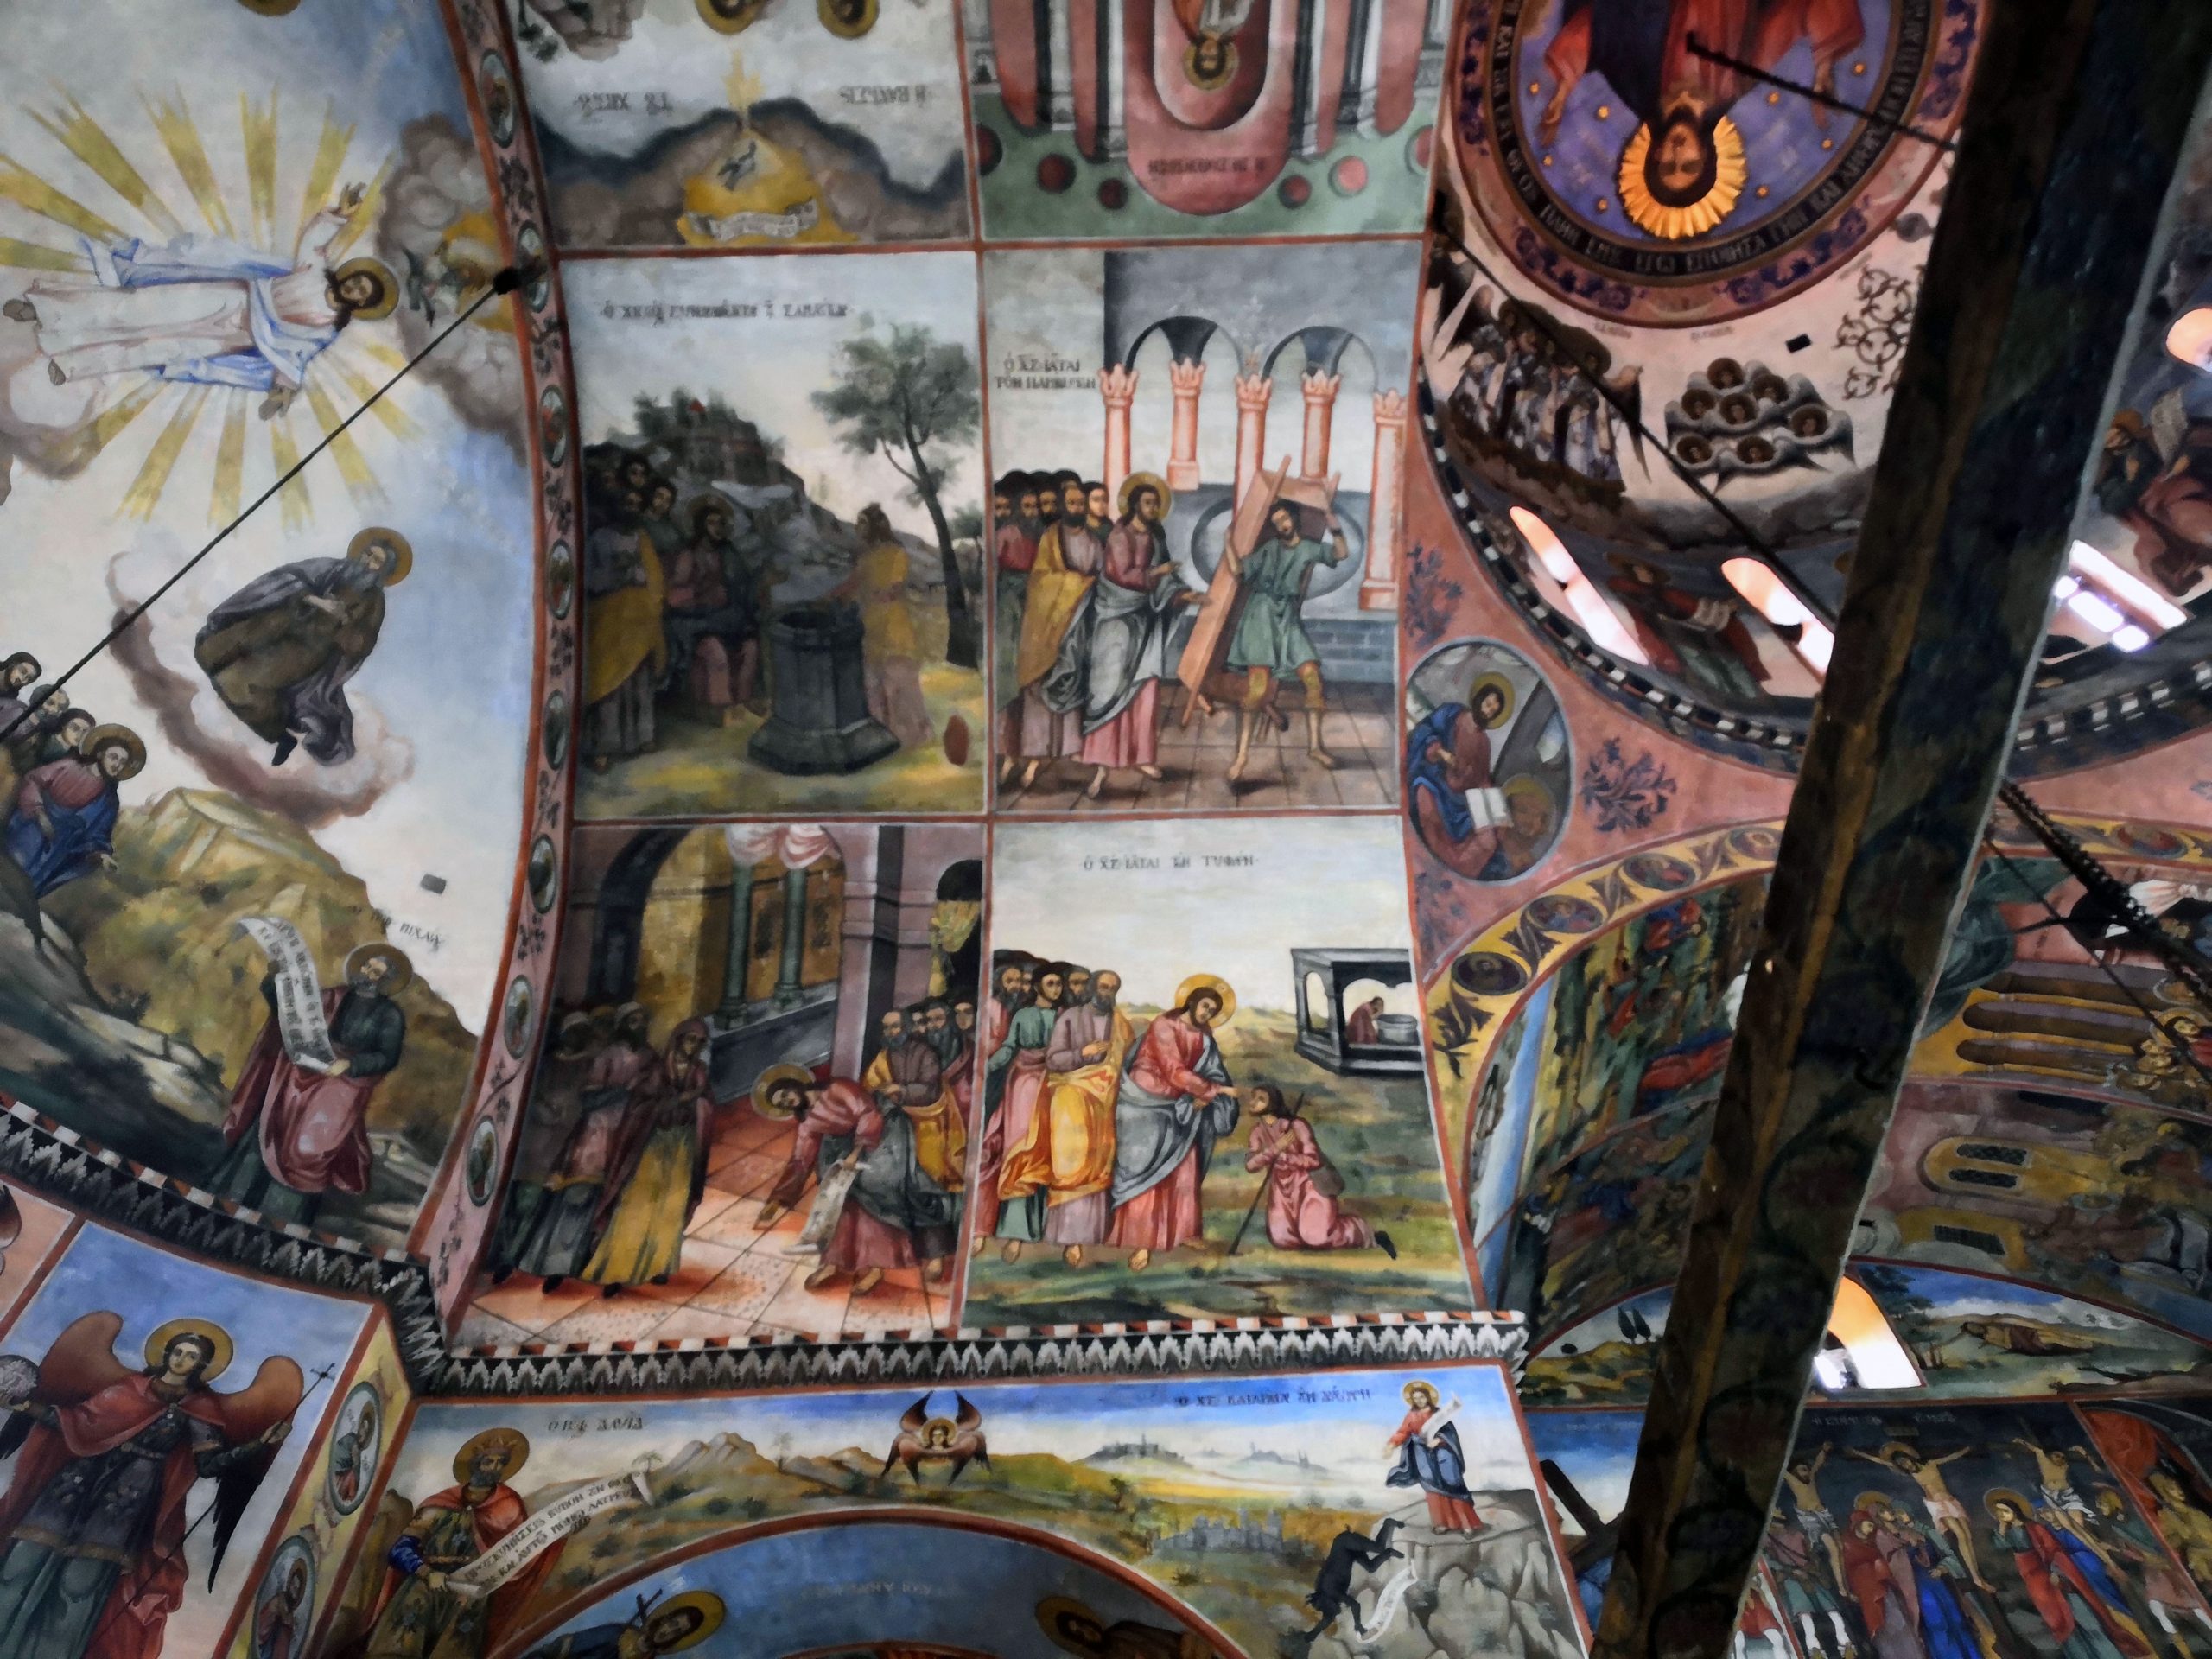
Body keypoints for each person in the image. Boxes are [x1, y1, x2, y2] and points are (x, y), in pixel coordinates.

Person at [0, 1314, 296, 1659]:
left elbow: (208, 1464)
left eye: (192, 1357)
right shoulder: (127, 1388)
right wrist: (25, 1405)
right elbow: (77, 1421)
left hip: (128, 1501)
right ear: (166, 1352)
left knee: (79, 1586)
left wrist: (259, 1444)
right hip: (72, 1487)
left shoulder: (199, 1408)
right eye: (178, 1351)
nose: (182, 1359)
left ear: (201, 1366)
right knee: (20, 1565)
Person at [5, 183, 395, 415]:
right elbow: (313, 240)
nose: (355, 290)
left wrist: (284, 389)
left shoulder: (326, 329)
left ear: (360, 306)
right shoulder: (314, 271)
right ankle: (44, 309)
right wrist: (340, 215)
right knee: (138, 308)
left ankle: (72, 363)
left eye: (361, 294)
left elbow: (296, 356)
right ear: (350, 276)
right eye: (357, 282)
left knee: (154, 348)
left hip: (234, 337)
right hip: (229, 300)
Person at [1535, 0, 1865, 232]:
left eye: (1668, 165)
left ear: (1655, 155)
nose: (1678, 154)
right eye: (1689, 165)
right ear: (1705, 155)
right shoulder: (1735, 81)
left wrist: (1561, 94)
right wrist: (1823, 69)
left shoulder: (1639, 86)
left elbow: (1600, 27)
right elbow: (1794, 9)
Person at [193, 527, 410, 766]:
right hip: (277, 621)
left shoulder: (373, 602)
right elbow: (288, 577)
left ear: (384, 570)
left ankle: (278, 734)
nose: (367, 561)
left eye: (376, 560)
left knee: (235, 681)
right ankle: (273, 719)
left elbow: (361, 643)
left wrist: (343, 619)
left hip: (305, 650)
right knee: (210, 651)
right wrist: (316, 600)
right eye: (368, 554)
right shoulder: (331, 567)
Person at [356, 1428, 560, 1659]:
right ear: (474, 1464)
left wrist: (560, 1532)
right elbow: (400, 1549)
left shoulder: (509, 1506)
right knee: (397, 1645)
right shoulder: (441, 1503)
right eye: (488, 1461)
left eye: (500, 1463)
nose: (494, 1468)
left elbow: (523, 1551)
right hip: (427, 1581)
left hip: (470, 1591)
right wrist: (427, 1573)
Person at [754, 1066, 959, 1295]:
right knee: (836, 1190)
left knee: (881, 1183)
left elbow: (868, 1113)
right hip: (853, 1142)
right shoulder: (807, 1120)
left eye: (785, 1095)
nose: (787, 1101)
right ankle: (834, 1262)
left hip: (885, 1128)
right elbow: (801, 1159)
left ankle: (930, 1253)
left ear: (794, 1085)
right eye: (782, 1104)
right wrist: (778, 1200)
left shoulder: (836, 1088)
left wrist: (856, 1153)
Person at [510, 1003, 658, 1290]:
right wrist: (624, 1091)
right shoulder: (607, 1056)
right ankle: (556, 1265)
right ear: (622, 1025)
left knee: (618, 1201)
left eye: (643, 1020)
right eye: (633, 1021)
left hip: (631, 1136)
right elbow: (588, 1099)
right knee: (577, 1197)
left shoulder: (651, 1058)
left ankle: (599, 1266)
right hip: (597, 1137)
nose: (640, 1026)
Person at [1107, 975, 1240, 1270]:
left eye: (1212, 1011)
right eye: (1205, 1006)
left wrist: (1207, 1093)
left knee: (1185, 1164)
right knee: (1146, 1169)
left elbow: (1213, 1069)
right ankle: (1142, 1243)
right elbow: (1173, 1069)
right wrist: (1212, 1090)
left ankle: (1184, 1231)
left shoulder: (1205, 1038)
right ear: (1191, 1002)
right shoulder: (1164, 1025)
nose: (1207, 1013)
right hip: (1146, 1100)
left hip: (1182, 1104)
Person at [1000, 967, 1131, 1266]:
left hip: (1103, 1105)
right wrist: (1083, 1053)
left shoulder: (1120, 1025)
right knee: (1070, 1167)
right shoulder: (1071, 1017)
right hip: (1070, 1101)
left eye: (1113, 988)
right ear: (1092, 988)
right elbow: (1054, 1059)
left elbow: (1125, 1065)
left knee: (1098, 1168)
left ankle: (1085, 1239)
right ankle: (1067, 1239)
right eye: (1103, 986)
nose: (1107, 993)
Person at [576, 1020, 716, 1296]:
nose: (694, 1047)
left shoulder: (699, 1071)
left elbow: (707, 1104)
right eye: (691, 1040)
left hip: (681, 1144)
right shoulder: (657, 1070)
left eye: (700, 1043)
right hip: (652, 1144)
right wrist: (676, 1101)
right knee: (636, 1203)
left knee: (672, 1204)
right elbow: (640, 1103)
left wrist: (698, 1103)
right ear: (678, 1039)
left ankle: (659, 1264)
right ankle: (616, 1270)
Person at [1224, 499, 1350, 783]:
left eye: (1284, 519)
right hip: (1260, 618)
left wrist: (1333, 523)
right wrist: (1228, 543)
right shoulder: (1269, 549)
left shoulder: (1308, 548)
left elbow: (1341, 553)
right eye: (1276, 522)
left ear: (1294, 519)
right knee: (1257, 690)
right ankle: (1241, 757)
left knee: (1313, 677)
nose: (1281, 525)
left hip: (1287, 620)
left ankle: (1315, 748)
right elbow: (1240, 571)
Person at [1077, 474, 1185, 798]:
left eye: (1156, 504)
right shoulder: (1119, 536)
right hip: (1114, 620)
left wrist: (1181, 593)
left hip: (1145, 620)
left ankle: (1141, 757)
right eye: (1148, 503)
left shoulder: (1156, 537)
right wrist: (1159, 573)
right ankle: (1101, 767)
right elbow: (1122, 576)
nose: (1153, 509)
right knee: (1110, 689)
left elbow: (1167, 579)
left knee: (1145, 688)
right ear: (1135, 505)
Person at [489, 1013, 601, 1282]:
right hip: (529, 1141)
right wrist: (541, 1107)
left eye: (580, 1033)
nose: (574, 1038)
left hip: (554, 1146)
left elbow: (582, 1103)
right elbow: (530, 1092)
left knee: (530, 1204)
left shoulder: (587, 1066)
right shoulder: (547, 1062)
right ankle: (496, 1254)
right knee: (508, 1202)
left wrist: (563, 1113)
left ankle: (510, 1259)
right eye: (571, 1032)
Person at [860, 1007, 966, 1283]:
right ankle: (899, 1252)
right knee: (887, 1184)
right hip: (896, 1131)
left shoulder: (925, 1053)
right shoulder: (883, 1058)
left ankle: (937, 1254)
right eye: (887, 1028)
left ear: (907, 1027)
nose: (891, 1032)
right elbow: (870, 1088)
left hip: (928, 1127)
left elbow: (930, 1089)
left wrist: (901, 1091)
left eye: (895, 1026)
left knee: (926, 1186)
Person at [1986, 1491, 2154, 1659]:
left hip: (2056, 1578)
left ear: (2015, 1509)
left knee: (2084, 1618)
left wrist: (2055, 1572)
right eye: (1997, 1512)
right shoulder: (2007, 1533)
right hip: (2036, 1584)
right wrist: (2002, 1525)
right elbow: (2000, 1545)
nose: (2001, 1514)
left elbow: (2054, 1550)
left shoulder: (2035, 1528)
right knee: (2061, 1627)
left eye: (2005, 1510)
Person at [1010, 474, 1096, 789]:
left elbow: (1100, 578)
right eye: (1071, 503)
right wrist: (1077, 582)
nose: (1076, 507)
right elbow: (1041, 579)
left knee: (1072, 685)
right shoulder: (1050, 538)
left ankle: (1071, 747)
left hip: (1078, 626)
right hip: (1049, 625)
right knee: (1041, 688)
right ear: (1062, 506)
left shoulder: (1093, 541)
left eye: (1081, 503)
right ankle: (1036, 753)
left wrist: (1087, 588)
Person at [1243, 1085, 1394, 1255]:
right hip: (1282, 1190)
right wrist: (1276, 1148)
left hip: (1311, 1185)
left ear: (1273, 1103)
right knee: (1283, 1240)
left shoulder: (1296, 1125)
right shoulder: (1257, 1132)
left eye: (1261, 1099)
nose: (1253, 1102)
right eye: (1253, 1097)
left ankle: (1362, 1231)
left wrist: (1286, 1158)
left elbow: (1313, 1160)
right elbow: (1251, 1165)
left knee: (1316, 1237)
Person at [1608, 556, 1772, 704]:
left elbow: (1699, 610)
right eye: (1637, 571)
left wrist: (1723, 610)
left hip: (1697, 637)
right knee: (1706, 671)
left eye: (1646, 572)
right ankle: (1727, 699)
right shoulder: (1634, 594)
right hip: (1681, 641)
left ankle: (1751, 698)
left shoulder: (1670, 594)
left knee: (1730, 667)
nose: (1643, 575)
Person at [4, 721, 141, 895]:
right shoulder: (68, 767)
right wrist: (39, 813)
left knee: (19, 893)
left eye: (122, 762)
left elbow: (98, 834)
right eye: (113, 757)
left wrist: (102, 855)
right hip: (28, 830)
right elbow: (33, 780)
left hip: (55, 853)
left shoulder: (109, 801)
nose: (117, 765)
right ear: (100, 754)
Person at [582, 483, 664, 772]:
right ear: (616, 506)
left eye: (637, 504)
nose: (632, 509)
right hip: (608, 620)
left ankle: (642, 737)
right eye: (627, 503)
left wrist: (636, 575)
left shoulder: (643, 539)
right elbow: (589, 579)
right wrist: (616, 573)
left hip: (639, 621)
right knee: (609, 685)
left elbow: (654, 580)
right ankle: (604, 748)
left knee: (640, 683)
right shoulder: (599, 539)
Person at [988, 963, 1066, 1262]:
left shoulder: (1063, 1017)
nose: (1056, 989)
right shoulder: (1023, 1015)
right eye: (1050, 984)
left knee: (1049, 1156)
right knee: (1020, 1153)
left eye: (1058, 984)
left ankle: (1044, 1227)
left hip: (1055, 1088)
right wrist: (987, 1067)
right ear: (1037, 987)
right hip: (1023, 1087)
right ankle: (1016, 1232)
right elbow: (1009, 1047)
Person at [661, 497, 760, 709]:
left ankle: (742, 706)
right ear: (700, 525)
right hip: (694, 624)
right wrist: (702, 592)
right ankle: (720, 709)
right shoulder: (688, 555)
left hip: (726, 621)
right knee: (715, 652)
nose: (717, 528)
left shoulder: (729, 553)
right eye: (711, 522)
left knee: (751, 648)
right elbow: (673, 598)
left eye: (721, 523)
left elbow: (742, 587)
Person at [846, 504, 931, 751]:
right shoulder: (865, 558)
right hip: (871, 627)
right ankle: (883, 737)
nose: (858, 528)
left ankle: (909, 736)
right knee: (873, 685)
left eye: (863, 523)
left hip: (893, 626)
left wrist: (877, 595)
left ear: (875, 526)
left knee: (898, 683)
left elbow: (893, 588)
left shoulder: (896, 554)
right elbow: (850, 586)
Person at [2089, 1487, 2212, 1656]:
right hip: (2154, 1569)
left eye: (2102, 1504)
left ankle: (2187, 1630)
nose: (2101, 1509)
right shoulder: (2118, 1523)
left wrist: (2116, 1549)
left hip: (2160, 1567)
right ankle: (2176, 1631)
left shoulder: (2130, 1520)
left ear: (2112, 1502)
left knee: (2179, 1600)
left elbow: (2144, 1547)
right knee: (2163, 1602)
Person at [1849, 1442, 1987, 1591]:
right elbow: (1882, 1461)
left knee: (1967, 1536)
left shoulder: (1931, 1464)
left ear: (1909, 1457)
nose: (1906, 1465)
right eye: (1902, 1464)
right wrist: (1860, 1453)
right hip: (1937, 1505)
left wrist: (1966, 1449)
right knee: (1960, 1535)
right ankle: (1975, 1577)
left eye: (1905, 1460)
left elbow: (1950, 1457)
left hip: (1951, 1501)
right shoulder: (1914, 1474)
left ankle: (1976, 1573)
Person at [1384, 1380, 1484, 1535]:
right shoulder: (1411, 1416)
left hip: (1444, 1454)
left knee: (1453, 1485)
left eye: (1421, 1397)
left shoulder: (1439, 1414)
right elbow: (1403, 1432)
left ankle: (1466, 1525)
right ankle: (1442, 1523)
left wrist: (1439, 1440)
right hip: (1422, 1456)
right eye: (1415, 1398)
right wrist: (1391, 1445)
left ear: (1428, 1397)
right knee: (1433, 1489)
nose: (1419, 1400)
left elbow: (1450, 1433)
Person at [995, 473, 1041, 783]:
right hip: (1010, 609)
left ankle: (1033, 755)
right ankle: (1010, 754)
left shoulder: (1042, 535)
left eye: (1034, 507)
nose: (1032, 513)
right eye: (1026, 507)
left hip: (1036, 607)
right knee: (1011, 682)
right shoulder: (1006, 534)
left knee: (1034, 685)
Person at [523, 1592, 725, 1657]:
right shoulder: (617, 1635)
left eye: (678, 1631)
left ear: (680, 1638)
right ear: (663, 1620)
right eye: (672, 1623)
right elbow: (559, 1649)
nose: (668, 1632)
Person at [257, 1560, 310, 1659]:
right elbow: (267, 1617)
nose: (293, 1590)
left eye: (296, 1589)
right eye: (293, 1585)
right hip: (266, 1643)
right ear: (290, 1583)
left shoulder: (290, 1610)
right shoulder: (280, 1599)